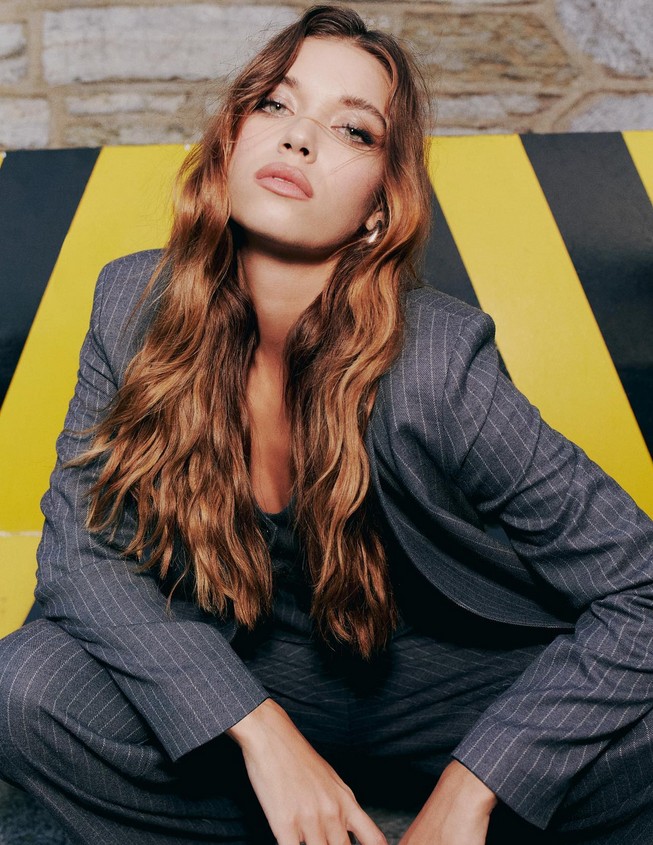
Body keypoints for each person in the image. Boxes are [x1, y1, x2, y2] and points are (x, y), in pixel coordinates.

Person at [1, 5, 652, 844]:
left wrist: (477, 786)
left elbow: (638, 586)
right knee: (26, 687)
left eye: (351, 129)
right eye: (275, 104)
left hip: (451, 683)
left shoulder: (437, 363)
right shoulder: (133, 304)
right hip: (253, 667)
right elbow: (80, 553)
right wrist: (258, 730)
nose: (299, 138)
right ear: (229, 142)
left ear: (379, 208)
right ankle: (306, 815)